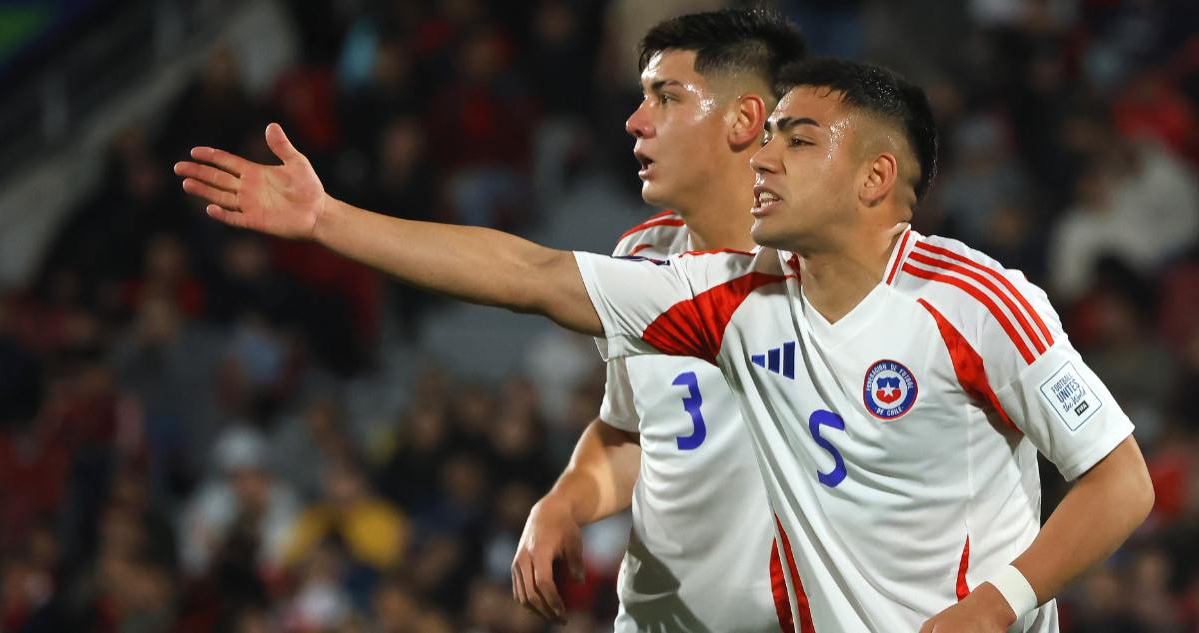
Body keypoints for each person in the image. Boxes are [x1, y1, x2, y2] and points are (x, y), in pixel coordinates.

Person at [173, 57, 1154, 632]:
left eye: (797, 138)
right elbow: (534, 276)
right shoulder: (730, 301)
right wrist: (330, 222)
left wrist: (995, 605)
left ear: (875, 178)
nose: (761, 155)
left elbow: (1120, 481)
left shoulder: (975, 303)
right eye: (762, 133)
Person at [514, 9, 806, 631]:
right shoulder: (642, 257)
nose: (635, 121)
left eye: (665, 98)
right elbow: (630, 434)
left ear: (745, 119)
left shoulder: (845, 273)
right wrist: (563, 500)